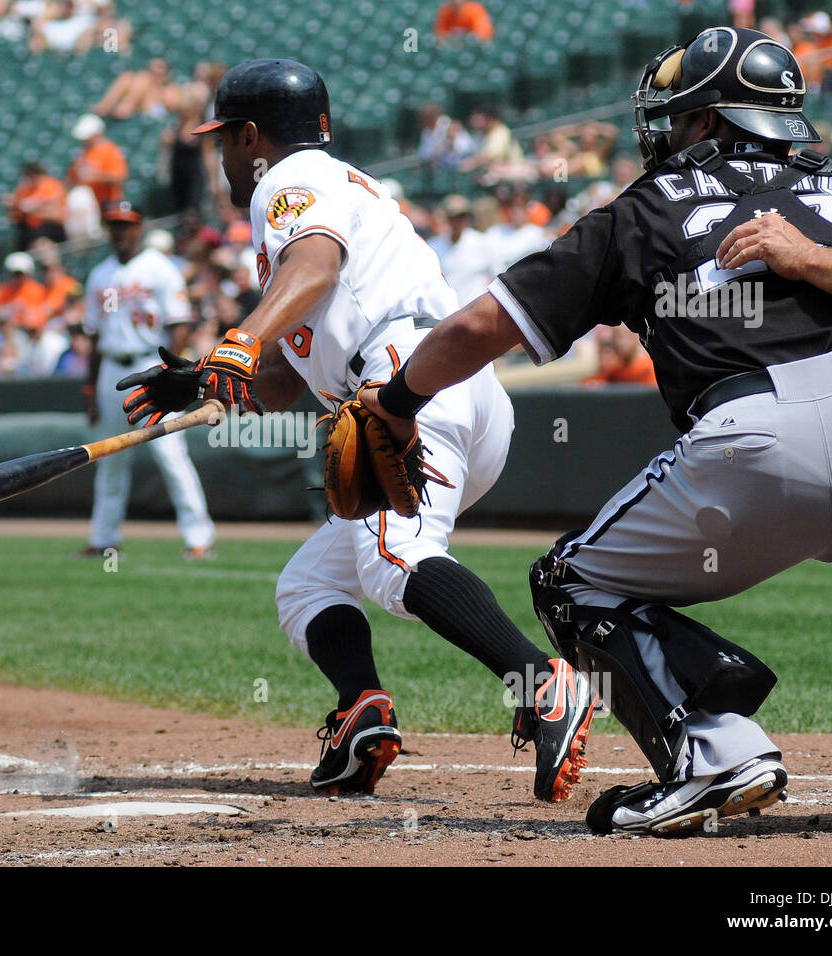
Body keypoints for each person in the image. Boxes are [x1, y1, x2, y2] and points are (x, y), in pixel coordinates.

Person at [358, 26, 832, 835]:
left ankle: (714, 750)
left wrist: (398, 400)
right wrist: (822, 260)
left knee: (571, 583)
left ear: (713, 121)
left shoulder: (641, 211)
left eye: (679, 115)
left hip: (755, 447)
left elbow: (480, 326)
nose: (665, 130)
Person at [118, 59, 595, 799]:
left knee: (394, 558)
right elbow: (287, 380)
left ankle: (541, 683)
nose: (221, 157)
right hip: (448, 386)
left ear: (251, 137)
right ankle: (362, 716)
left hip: (407, 382)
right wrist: (200, 379)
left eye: (224, 141)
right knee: (309, 585)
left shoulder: (287, 179)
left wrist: (239, 339)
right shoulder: (335, 183)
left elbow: (314, 266)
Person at [83, 203, 215, 561]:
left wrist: (172, 374)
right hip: (112, 367)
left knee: (170, 455)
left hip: (150, 366)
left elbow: (179, 325)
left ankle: (198, 538)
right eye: (114, 224)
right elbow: (93, 338)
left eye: (126, 225)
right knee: (109, 457)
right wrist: (90, 389)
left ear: (139, 228)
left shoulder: (160, 269)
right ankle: (103, 539)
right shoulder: (99, 274)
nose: (120, 231)